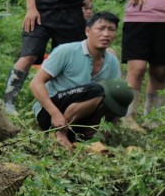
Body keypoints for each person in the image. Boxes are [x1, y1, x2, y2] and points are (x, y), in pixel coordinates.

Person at [29, 11, 130, 149]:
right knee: (97, 89)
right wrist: (55, 114)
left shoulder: (111, 61)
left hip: (82, 115)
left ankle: (89, 137)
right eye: (101, 28)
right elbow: (35, 83)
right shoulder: (67, 51)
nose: (106, 34)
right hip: (50, 113)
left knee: (118, 93)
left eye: (111, 29)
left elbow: (117, 97)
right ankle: (60, 133)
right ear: (87, 31)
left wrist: (105, 131)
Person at [107, 0, 165, 124]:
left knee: (160, 71)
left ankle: (153, 119)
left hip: (163, 23)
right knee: (137, 68)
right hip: (138, 22)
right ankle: (128, 117)